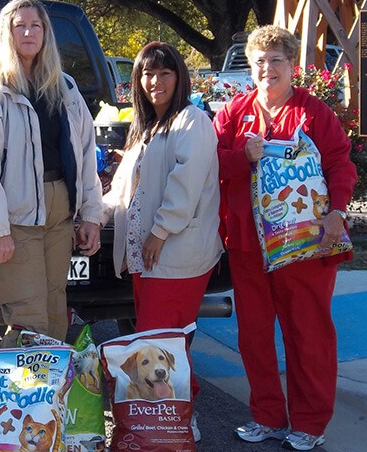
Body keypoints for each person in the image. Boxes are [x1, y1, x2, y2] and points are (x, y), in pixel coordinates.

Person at [214, 25, 356, 451]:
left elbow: (340, 163)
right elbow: (212, 164)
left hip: (306, 244)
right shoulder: (234, 113)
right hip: (247, 244)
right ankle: (268, 417)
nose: (267, 68)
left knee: (308, 334)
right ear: (250, 66)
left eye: (276, 60)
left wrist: (337, 210)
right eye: (260, 60)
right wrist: (243, 156)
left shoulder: (314, 113)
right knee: (254, 336)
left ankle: (310, 424)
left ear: (292, 66)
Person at [0, 0, 103, 348]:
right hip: (15, 215)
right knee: (29, 319)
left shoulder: (64, 86)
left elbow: (85, 153)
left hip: (60, 210)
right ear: (5, 34)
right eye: (19, 25)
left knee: (55, 311)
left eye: (35, 25)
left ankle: (48, 400)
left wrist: (91, 217)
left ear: (45, 33)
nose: (28, 32)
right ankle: (13, 402)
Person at [101, 41, 223, 442]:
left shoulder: (192, 121)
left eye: (164, 72)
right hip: (149, 260)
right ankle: (165, 420)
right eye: (147, 74)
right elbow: (124, 191)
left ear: (180, 77)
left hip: (176, 257)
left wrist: (158, 232)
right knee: (162, 343)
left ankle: (174, 423)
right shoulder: (147, 127)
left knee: (161, 344)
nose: (155, 81)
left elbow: (184, 188)